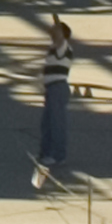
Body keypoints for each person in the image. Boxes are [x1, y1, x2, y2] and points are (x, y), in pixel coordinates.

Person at [34, 15, 75, 182]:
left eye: (56, 30)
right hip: (51, 89)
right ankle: (45, 152)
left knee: (57, 122)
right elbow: (54, 33)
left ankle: (57, 155)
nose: (51, 31)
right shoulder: (53, 48)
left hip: (58, 87)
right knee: (47, 122)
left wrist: (57, 22)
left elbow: (59, 35)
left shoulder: (63, 47)